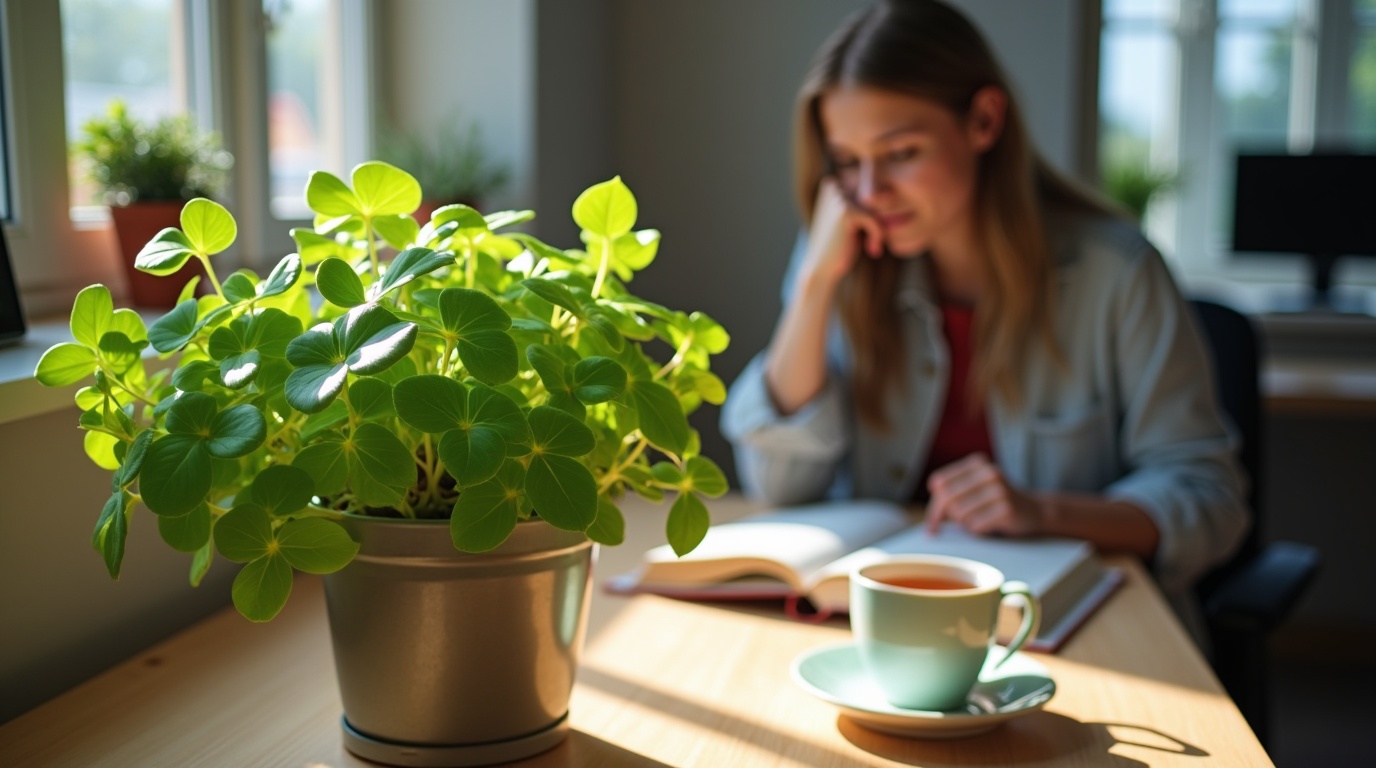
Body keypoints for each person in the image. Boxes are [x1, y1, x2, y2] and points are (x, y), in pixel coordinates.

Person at [720, 0, 1248, 638]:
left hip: (1073, 629)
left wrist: (1044, 510)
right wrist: (813, 284)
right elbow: (776, 480)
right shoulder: (841, 258)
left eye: (901, 152)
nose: (870, 192)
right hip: (876, 621)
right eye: (846, 163)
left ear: (984, 120)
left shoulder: (1120, 272)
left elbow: (1210, 501)